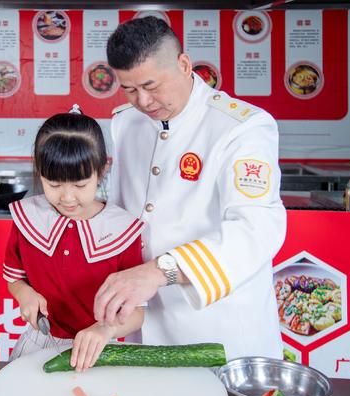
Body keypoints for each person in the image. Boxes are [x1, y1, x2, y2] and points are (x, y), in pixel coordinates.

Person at [93, 17, 286, 360]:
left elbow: (256, 230)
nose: (143, 101)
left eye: (151, 85)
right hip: (147, 326)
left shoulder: (241, 127)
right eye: (129, 89)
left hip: (218, 328)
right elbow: (122, 215)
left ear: (183, 65)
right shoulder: (126, 122)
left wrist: (159, 271)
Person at [3, 107, 145, 372]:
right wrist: (24, 293)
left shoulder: (122, 230)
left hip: (101, 347)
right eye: (54, 185)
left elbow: (137, 312)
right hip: (40, 343)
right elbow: (14, 277)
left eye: (80, 185)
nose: (67, 198)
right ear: (39, 171)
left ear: (101, 171)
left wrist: (105, 328)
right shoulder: (28, 217)